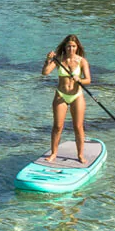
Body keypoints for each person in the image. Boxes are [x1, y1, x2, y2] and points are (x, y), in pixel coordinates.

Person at [42, 35, 92, 164]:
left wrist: (79, 79)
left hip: (77, 96)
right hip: (61, 95)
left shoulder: (82, 61)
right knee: (57, 126)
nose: (71, 49)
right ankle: (53, 154)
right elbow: (45, 72)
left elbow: (88, 80)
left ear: (77, 47)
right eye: (69, 46)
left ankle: (80, 155)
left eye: (73, 46)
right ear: (65, 47)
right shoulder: (58, 59)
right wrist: (48, 60)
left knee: (78, 126)